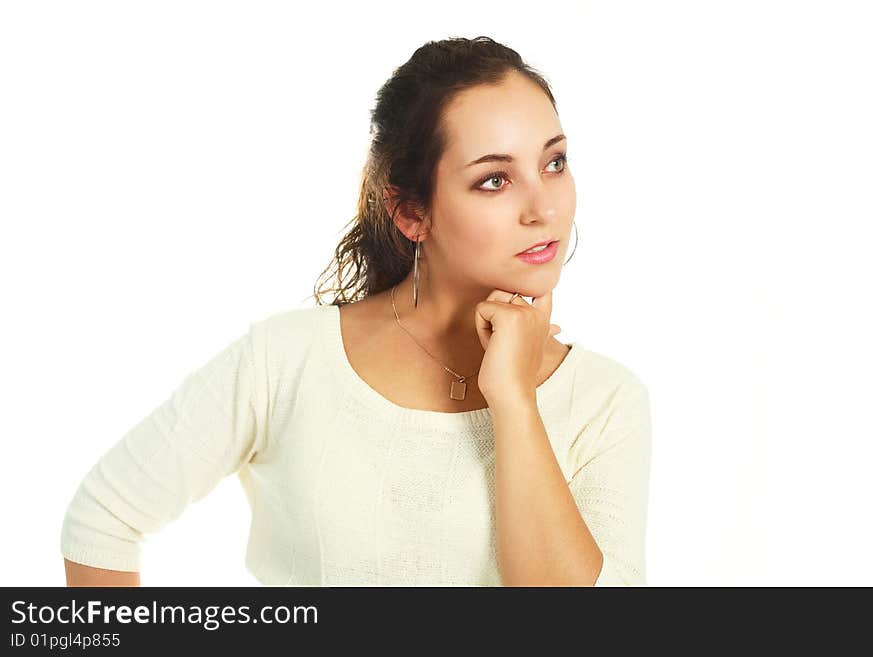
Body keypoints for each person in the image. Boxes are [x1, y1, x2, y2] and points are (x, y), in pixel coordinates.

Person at [61, 36, 652, 587]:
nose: (542, 207)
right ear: (411, 213)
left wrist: (515, 400)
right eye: (494, 180)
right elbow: (104, 519)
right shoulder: (286, 362)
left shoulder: (605, 400)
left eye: (554, 163)